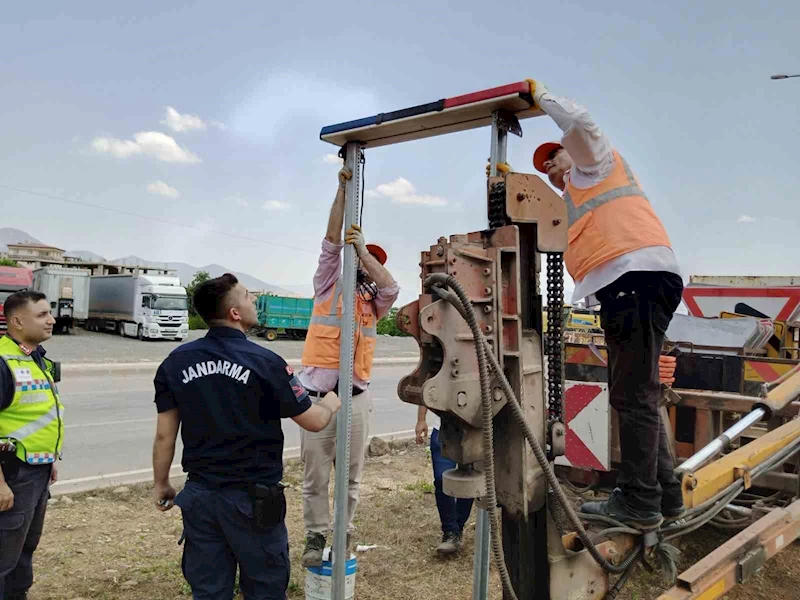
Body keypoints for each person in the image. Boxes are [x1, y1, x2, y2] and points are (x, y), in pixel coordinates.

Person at [529, 81, 684, 530]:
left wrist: (539, 97)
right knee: (638, 393)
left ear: (571, 155)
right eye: (545, 167)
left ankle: (639, 501)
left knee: (632, 395)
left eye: (554, 155)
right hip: (636, 283)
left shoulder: (594, 166)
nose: (552, 166)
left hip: (635, 279)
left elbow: (579, 123)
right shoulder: (573, 200)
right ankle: (663, 494)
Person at [151, 273, 341, 600]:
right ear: (234, 313)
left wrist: (161, 483)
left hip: (201, 497)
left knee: (209, 590)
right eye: (248, 296)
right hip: (252, 501)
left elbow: (165, 435)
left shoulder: (175, 362)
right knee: (265, 587)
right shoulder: (266, 362)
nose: (254, 300)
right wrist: (331, 403)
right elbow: (312, 421)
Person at [299, 166, 400, 567]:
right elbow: (329, 242)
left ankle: (342, 534)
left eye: (372, 261)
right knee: (315, 477)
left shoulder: (375, 304)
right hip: (317, 399)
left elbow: (391, 286)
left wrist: (364, 252)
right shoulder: (328, 285)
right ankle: (316, 535)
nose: (365, 265)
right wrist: (343, 191)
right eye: (360, 258)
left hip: (355, 399)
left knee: (350, 478)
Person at [0, 291, 63, 600]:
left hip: (35, 472)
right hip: (11, 475)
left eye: (49, 312)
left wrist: (49, 458)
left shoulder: (35, 357)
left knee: (24, 549)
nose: (51, 319)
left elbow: (37, 416)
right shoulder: (2, 361)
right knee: (3, 556)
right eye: (41, 315)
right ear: (17, 321)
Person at [415, 407, 473, 555]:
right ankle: (450, 532)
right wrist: (421, 419)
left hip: (473, 430)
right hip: (442, 430)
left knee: (469, 479)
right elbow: (428, 387)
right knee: (442, 480)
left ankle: (457, 528)